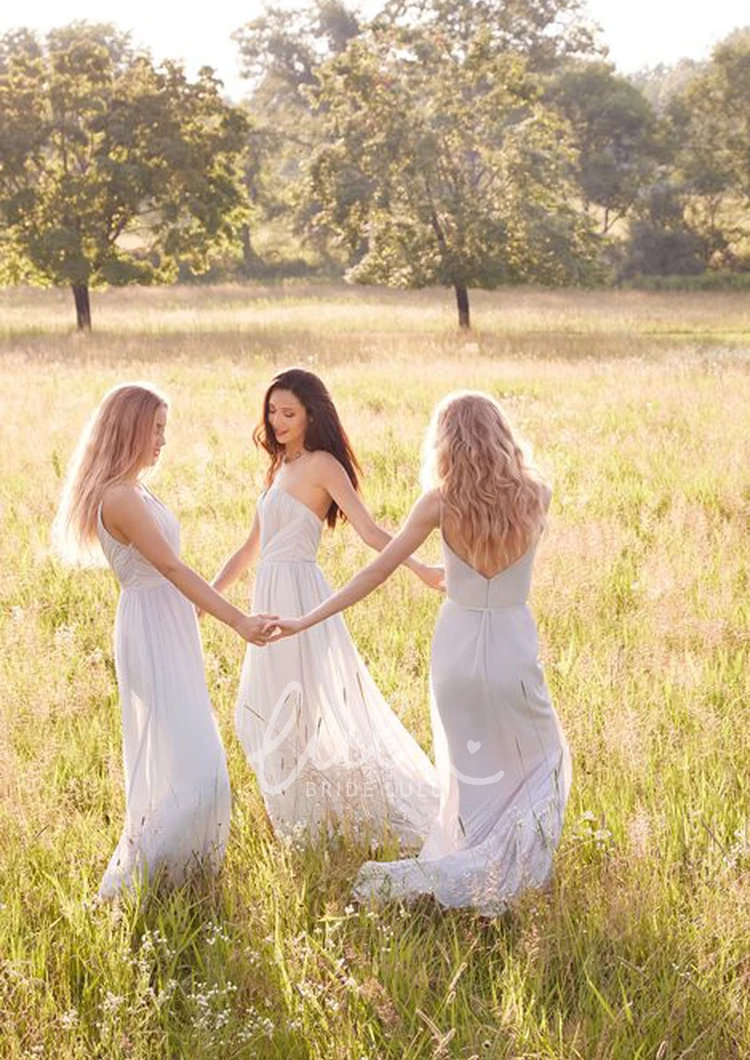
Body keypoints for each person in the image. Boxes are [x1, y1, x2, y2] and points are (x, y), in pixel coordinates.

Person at [272, 391, 572, 915]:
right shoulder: (536, 494)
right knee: (543, 759)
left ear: (446, 442)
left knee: (470, 772)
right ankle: (509, 875)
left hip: (455, 652)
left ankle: (466, 864)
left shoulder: (439, 501)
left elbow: (376, 570)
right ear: (501, 434)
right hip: (512, 647)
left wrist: (305, 618)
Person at [52, 382, 277, 899]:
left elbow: (173, 575)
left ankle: (182, 876)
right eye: (155, 430)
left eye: (163, 430)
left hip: (164, 623)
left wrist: (197, 613)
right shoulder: (120, 496)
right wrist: (238, 620)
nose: (162, 441)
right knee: (198, 767)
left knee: (190, 757)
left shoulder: (135, 489)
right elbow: (172, 568)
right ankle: (140, 882)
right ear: (129, 429)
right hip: (150, 627)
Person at [209, 368, 441, 844]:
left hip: (300, 593)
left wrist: (419, 568)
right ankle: (300, 817)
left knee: (302, 706)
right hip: (268, 592)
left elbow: (372, 532)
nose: (277, 421)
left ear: (312, 415)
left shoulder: (322, 465)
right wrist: (207, 599)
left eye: (288, 413)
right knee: (263, 707)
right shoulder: (278, 468)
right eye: (272, 411)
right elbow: (251, 548)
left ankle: (321, 820)